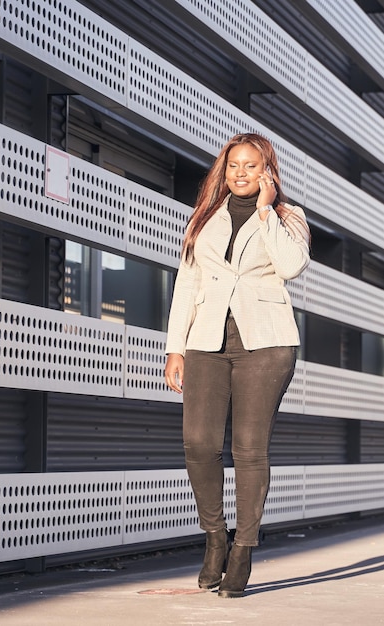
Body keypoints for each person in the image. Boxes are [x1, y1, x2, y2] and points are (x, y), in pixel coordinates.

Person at [164, 132, 310, 598]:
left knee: (249, 448)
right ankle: (215, 539)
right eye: (233, 166)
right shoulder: (205, 218)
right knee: (199, 444)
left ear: (267, 169)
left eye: (250, 165)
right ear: (223, 171)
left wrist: (267, 210)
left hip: (266, 343)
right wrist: (175, 348)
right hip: (207, 340)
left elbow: (290, 267)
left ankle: (244, 549)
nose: (240, 173)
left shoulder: (289, 217)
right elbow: (187, 283)